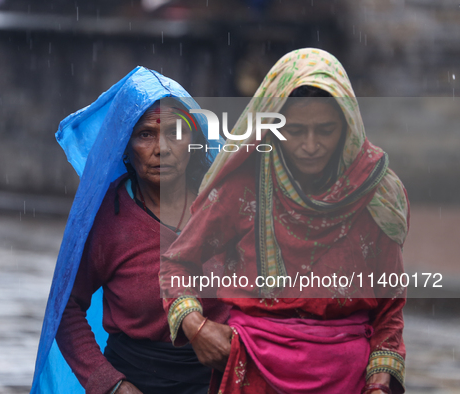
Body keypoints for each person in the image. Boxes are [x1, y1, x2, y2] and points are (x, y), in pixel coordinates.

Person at [160, 48, 409, 394]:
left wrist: (381, 379)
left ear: (348, 125)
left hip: (347, 379)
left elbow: (389, 301)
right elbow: (176, 263)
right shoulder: (243, 184)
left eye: (325, 130)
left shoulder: (375, 192)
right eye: (295, 130)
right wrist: (196, 326)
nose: (310, 145)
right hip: (254, 372)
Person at [29, 66, 229, 394]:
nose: (162, 148)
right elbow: (65, 307)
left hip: (217, 381)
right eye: (145, 134)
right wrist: (112, 384)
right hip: (135, 381)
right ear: (125, 146)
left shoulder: (224, 207)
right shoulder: (108, 217)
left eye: (176, 132)